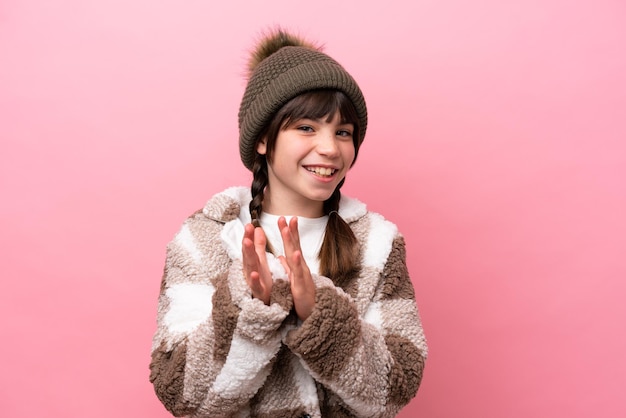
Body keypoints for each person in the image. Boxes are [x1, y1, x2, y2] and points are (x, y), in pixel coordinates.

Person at [149, 28, 428, 418]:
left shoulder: (376, 244)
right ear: (263, 139)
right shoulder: (204, 239)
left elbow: (395, 389)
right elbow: (180, 393)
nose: (330, 149)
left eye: (343, 132)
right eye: (307, 128)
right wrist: (248, 309)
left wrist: (321, 317)